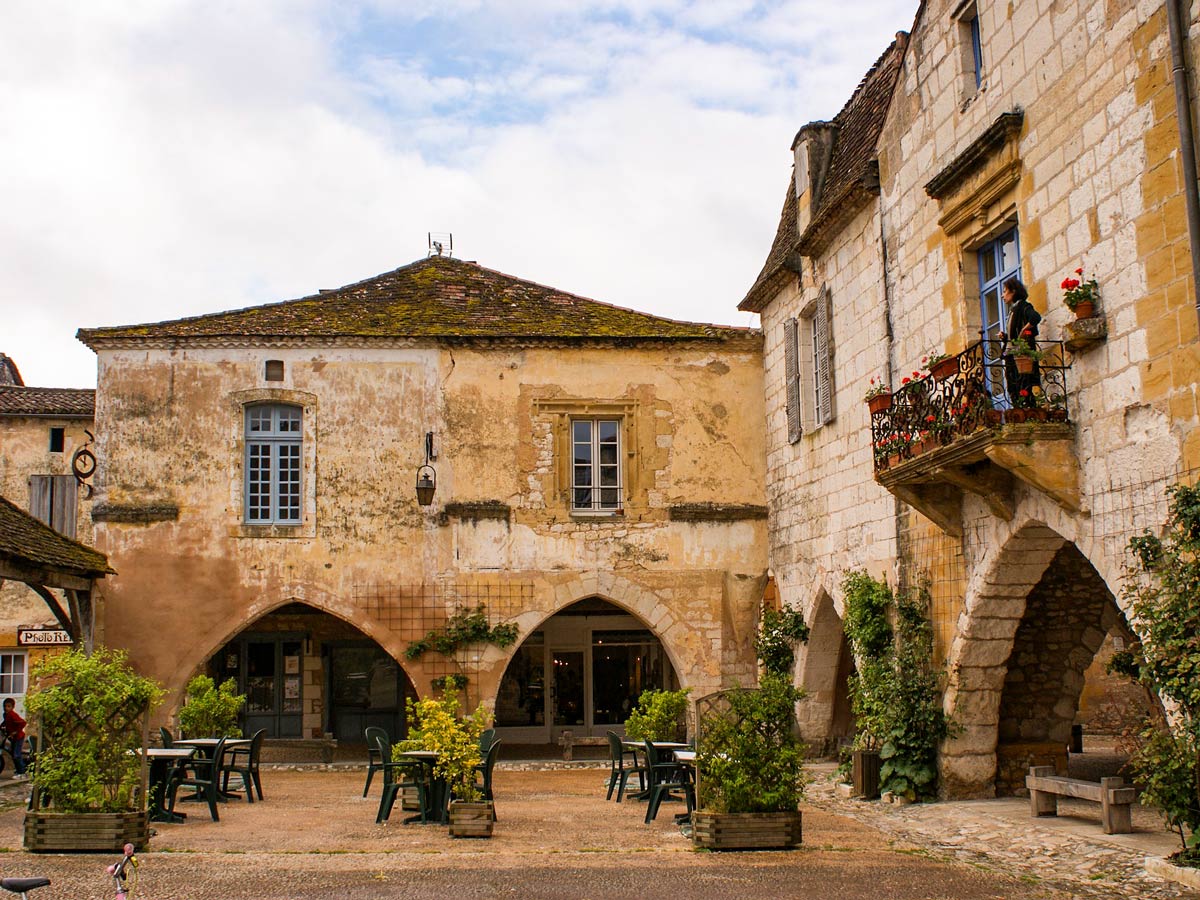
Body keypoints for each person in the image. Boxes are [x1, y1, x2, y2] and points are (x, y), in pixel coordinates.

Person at [999, 276, 1042, 408]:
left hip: (1022, 354)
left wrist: (1024, 330)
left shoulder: (1024, 306)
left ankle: (1028, 408)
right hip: (1013, 352)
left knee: (1024, 382)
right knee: (1013, 383)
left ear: (1013, 292)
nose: (1002, 295)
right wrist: (1005, 337)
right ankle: (1019, 408)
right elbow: (1015, 334)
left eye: (1005, 291)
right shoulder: (1014, 309)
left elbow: (1035, 317)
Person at [2, 697, 27, 779]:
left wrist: (16, 731)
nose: (6, 708)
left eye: (9, 706)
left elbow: (23, 722)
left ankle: (23, 772)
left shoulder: (13, 715)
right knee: (13, 754)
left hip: (19, 737)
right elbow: (5, 723)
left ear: (13, 707)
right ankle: (18, 770)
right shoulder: (6, 715)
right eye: (5, 706)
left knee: (16, 755)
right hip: (12, 738)